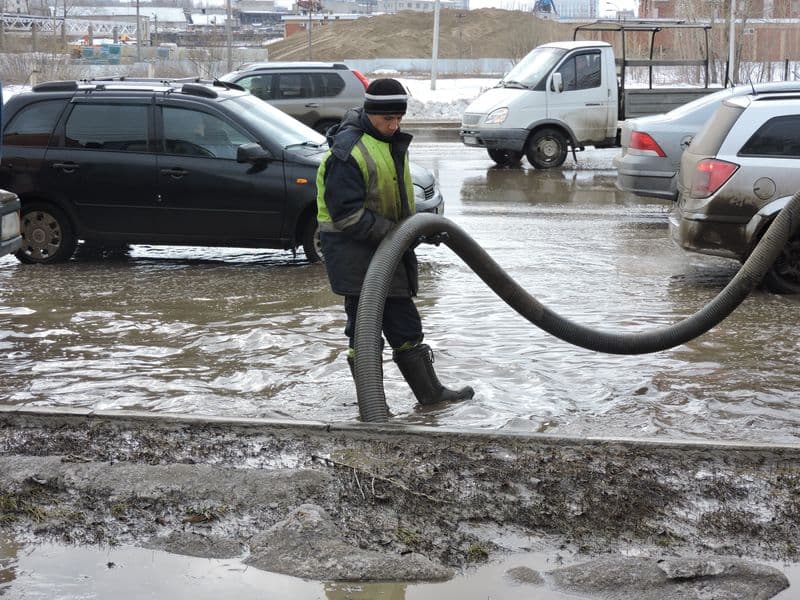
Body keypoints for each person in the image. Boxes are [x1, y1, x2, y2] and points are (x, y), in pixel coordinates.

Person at [315, 78, 474, 407]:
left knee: (405, 325)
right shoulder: (348, 153)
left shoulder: (387, 143)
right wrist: (398, 233)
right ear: (371, 113)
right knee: (364, 332)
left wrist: (417, 231)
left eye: (399, 119)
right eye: (388, 119)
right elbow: (347, 216)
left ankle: (430, 396)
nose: (394, 125)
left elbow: (394, 201)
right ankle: (373, 407)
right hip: (357, 259)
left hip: (388, 252)